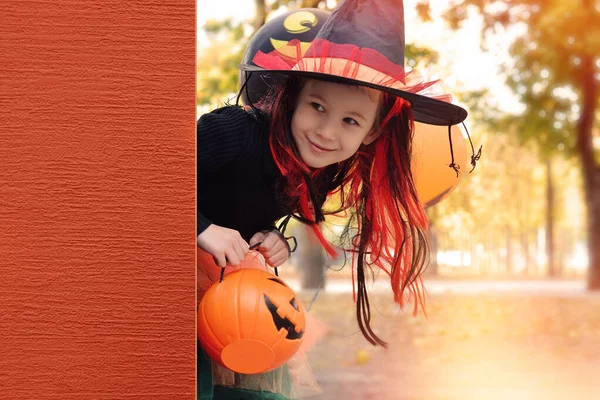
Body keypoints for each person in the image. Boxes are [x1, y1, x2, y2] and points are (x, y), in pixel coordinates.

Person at [197, 0, 474, 398]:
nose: (327, 132)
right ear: (294, 97)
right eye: (317, 106)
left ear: (373, 132)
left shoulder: (319, 170)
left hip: (230, 295)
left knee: (257, 389)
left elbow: (245, 200)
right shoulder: (235, 132)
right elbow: (142, 177)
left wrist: (268, 233)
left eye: (350, 120)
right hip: (167, 279)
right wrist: (202, 228)